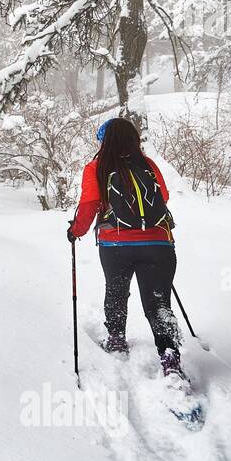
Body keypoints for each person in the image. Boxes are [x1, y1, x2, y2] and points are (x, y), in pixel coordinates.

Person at [66, 117, 185, 382]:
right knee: (158, 303)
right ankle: (170, 358)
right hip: (158, 243)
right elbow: (163, 197)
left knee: (117, 291)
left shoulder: (96, 167)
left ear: (104, 141)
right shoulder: (148, 165)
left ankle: (117, 340)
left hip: (116, 244)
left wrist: (75, 231)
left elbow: (88, 206)